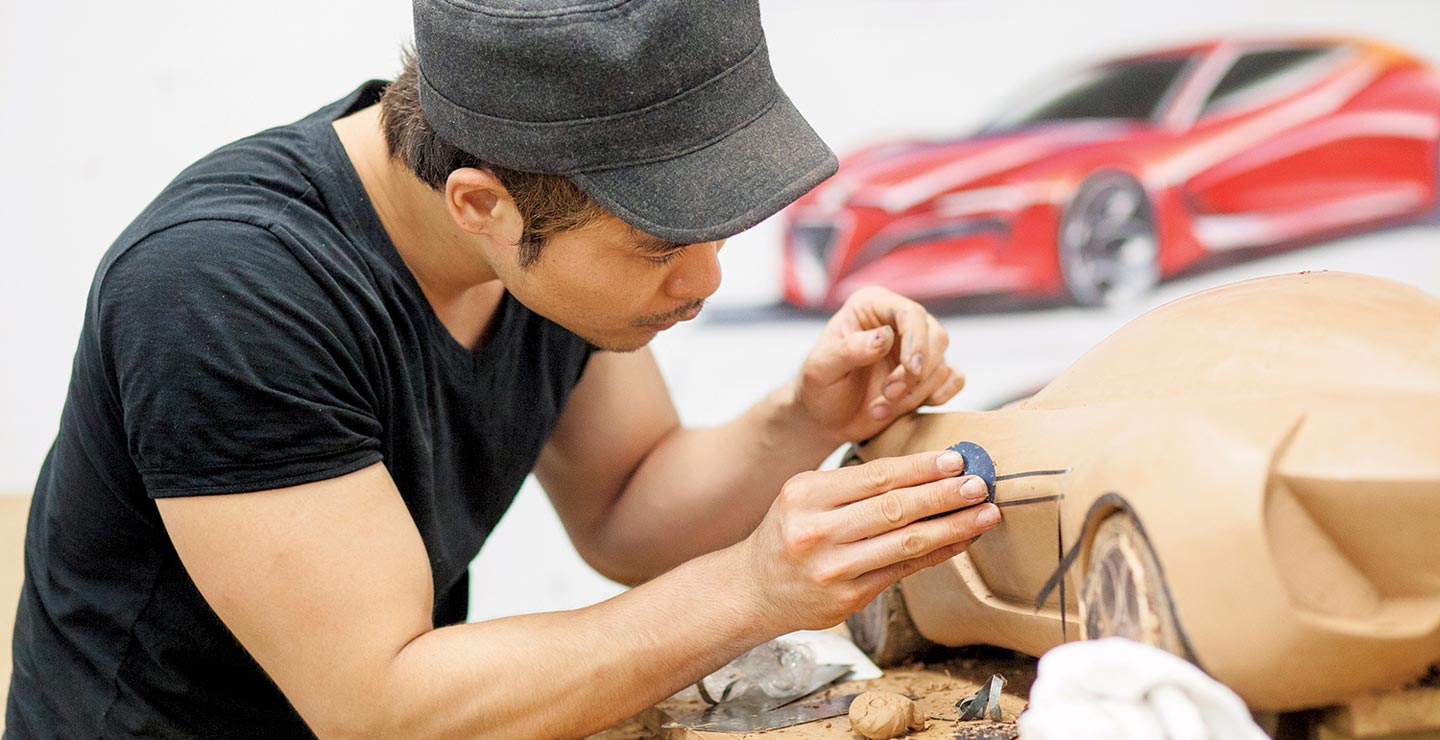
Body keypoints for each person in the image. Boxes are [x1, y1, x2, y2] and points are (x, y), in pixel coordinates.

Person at [5, 1, 1000, 737]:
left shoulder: (536, 231)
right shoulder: (221, 290)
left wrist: (804, 415)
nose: (705, 276)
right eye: (660, 247)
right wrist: (755, 588)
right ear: (481, 206)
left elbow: (628, 503)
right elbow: (383, 702)